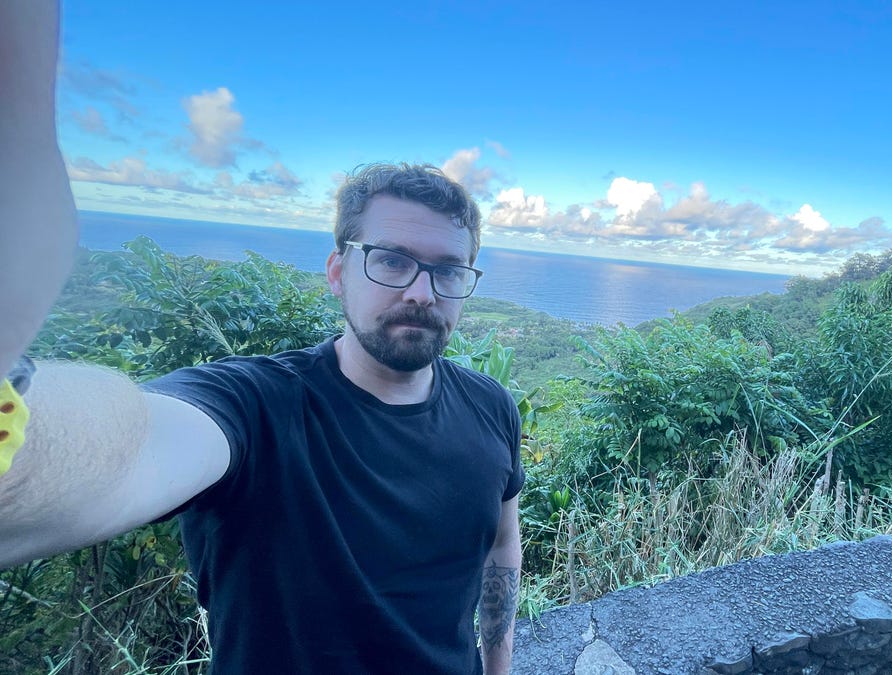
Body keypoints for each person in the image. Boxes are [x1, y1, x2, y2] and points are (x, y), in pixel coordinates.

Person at [0, 6, 523, 674]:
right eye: (391, 260)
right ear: (338, 271)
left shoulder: (491, 406)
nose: (421, 291)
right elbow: (129, 443)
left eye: (448, 270)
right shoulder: (253, 408)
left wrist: (500, 662)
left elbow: (501, 547)